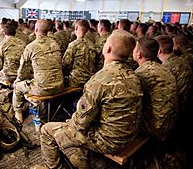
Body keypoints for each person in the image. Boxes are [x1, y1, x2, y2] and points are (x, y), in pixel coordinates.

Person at [33, 29, 143, 169]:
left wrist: (68, 123)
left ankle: (53, 167)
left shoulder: (99, 80)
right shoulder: (134, 76)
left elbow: (80, 123)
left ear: (107, 48)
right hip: (129, 136)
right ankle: (82, 158)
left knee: (47, 130)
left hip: (108, 141)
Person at [12, 19, 64, 123]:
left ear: (35, 29)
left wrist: (18, 81)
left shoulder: (31, 47)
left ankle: (18, 113)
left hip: (42, 88)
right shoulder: (55, 44)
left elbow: (23, 71)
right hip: (59, 86)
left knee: (17, 86)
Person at [133, 37, 177, 141]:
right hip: (171, 123)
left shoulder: (140, 74)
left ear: (139, 54)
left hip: (154, 128)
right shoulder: (166, 69)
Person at [155, 35, 192, 118]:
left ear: (159, 51)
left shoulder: (165, 68)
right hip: (186, 105)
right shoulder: (182, 61)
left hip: (176, 111)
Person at [0, 23, 26, 89]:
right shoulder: (23, 44)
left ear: (4, 33)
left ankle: (0, 91)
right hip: (21, 75)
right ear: (15, 32)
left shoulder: (1, 45)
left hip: (8, 75)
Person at [62, 20, 98, 87]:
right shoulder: (93, 45)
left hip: (75, 81)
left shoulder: (73, 45)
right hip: (90, 80)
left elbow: (65, 64)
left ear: (76, 28)